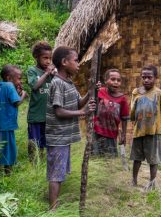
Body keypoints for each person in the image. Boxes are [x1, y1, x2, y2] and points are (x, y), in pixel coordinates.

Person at [46, 46, 96, 210]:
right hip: (58, 137)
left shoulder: (68, 83)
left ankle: (55, 203)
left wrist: (90, 92)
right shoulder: (58, 83)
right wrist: (82, 112)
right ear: (64, 62)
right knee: (56, 174)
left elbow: (78, 103)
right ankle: (52, 208)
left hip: (63, 137)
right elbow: (59, 111)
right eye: (75, 61)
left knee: (59, 173)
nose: (78, 64)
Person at [130, 65, 161, 190]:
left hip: (154, 131)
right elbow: (133, 109)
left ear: (155, 78)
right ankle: (134, 180)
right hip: (139, 130)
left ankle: (152, 182)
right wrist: (133, 120)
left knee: (153, 159)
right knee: (137, 157)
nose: (146, 80)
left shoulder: (160, 94)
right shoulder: (136, 92)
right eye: (144, 77)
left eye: (149, 77)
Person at [0, 65, 27, 176]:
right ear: (9, 78)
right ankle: (8, 175)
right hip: (6, 125)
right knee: (8, 150)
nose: (20, 81)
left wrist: (17, 91)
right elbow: (16, 103)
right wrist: (23, 95)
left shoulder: (0, 85)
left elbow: (9, 99)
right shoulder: (9, 86)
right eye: (19, 78)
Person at [27, 41, 55, 161]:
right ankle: (33, 164)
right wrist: (46, 73)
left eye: (50, 58)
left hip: (48, 116)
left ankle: (42, 162)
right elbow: (34, 86)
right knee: (34, 142)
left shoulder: (52, 74)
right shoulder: (32, 70)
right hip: (35, 116)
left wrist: (54, 74)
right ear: (36, 57)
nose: (48, 61)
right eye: (45, 58)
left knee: (45, 142)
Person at [92, 69, 129, 156]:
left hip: (111, 135)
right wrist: (95, 89)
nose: (116, 82)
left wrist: (123, 134)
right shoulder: (100, 91)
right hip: (96, 132)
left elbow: (124, 118)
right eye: (112, 79)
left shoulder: (122, 99)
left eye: (118, 80)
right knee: (94, 159)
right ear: (106, 81)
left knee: (109, 160)